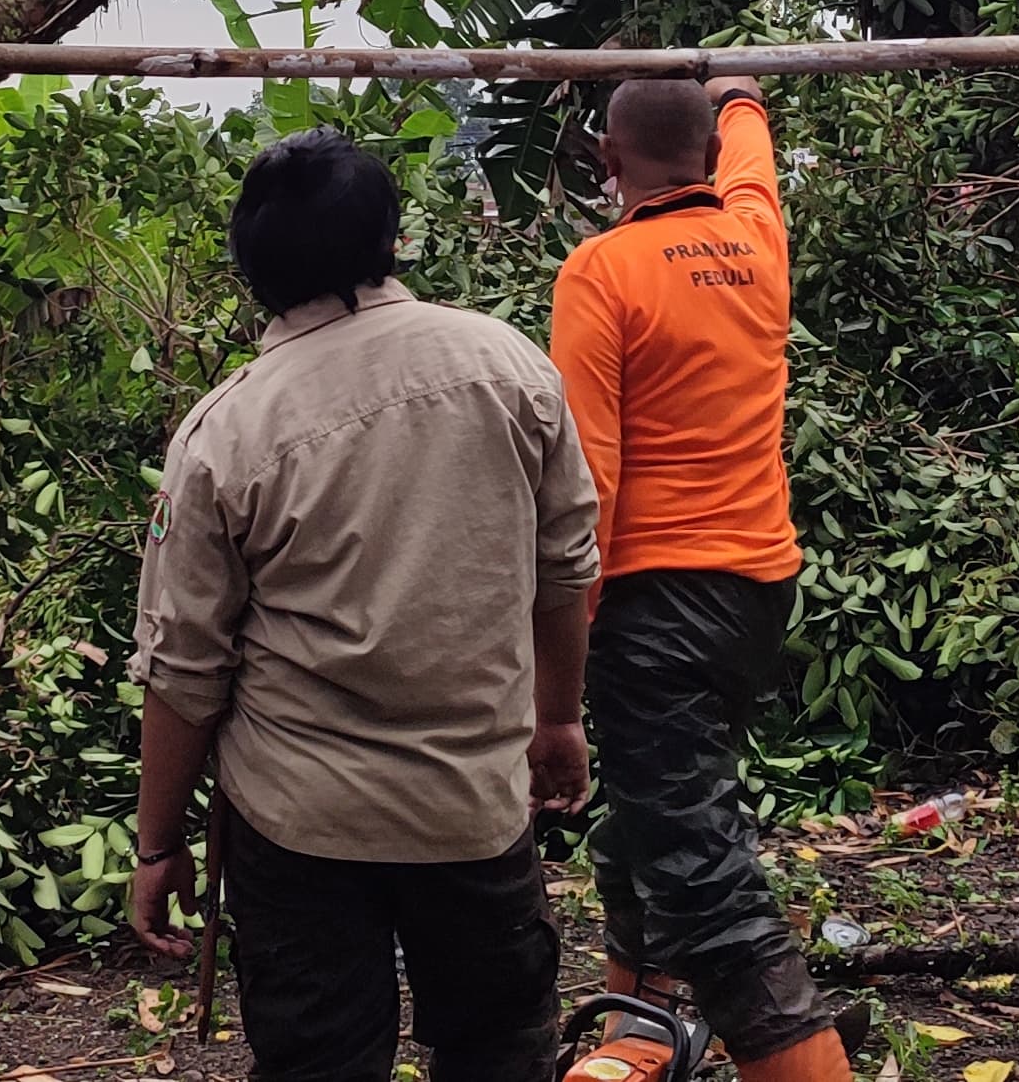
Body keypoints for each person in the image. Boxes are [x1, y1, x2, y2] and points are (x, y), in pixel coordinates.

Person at [127, 131, 600, 1082]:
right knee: (502, 1050)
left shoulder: (227, 431)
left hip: (301, 821)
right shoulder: (508, 368)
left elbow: (186, 672)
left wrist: (158, 843)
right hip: (472, 804)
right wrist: (557, 719)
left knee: (319, 1063)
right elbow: (566, 567)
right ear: (392, 243)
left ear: (252, 269)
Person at [546, 77, 849, 1082]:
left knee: (699, 870)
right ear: (709, 157)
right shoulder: (756, 237)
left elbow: (588, 479)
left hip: (655, 604)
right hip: (754, 592)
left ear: (606, 158)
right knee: (650, 817)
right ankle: (640, 1035)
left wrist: (561, 654)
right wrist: (742, 92)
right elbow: (751, 154)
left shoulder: (602, 268)